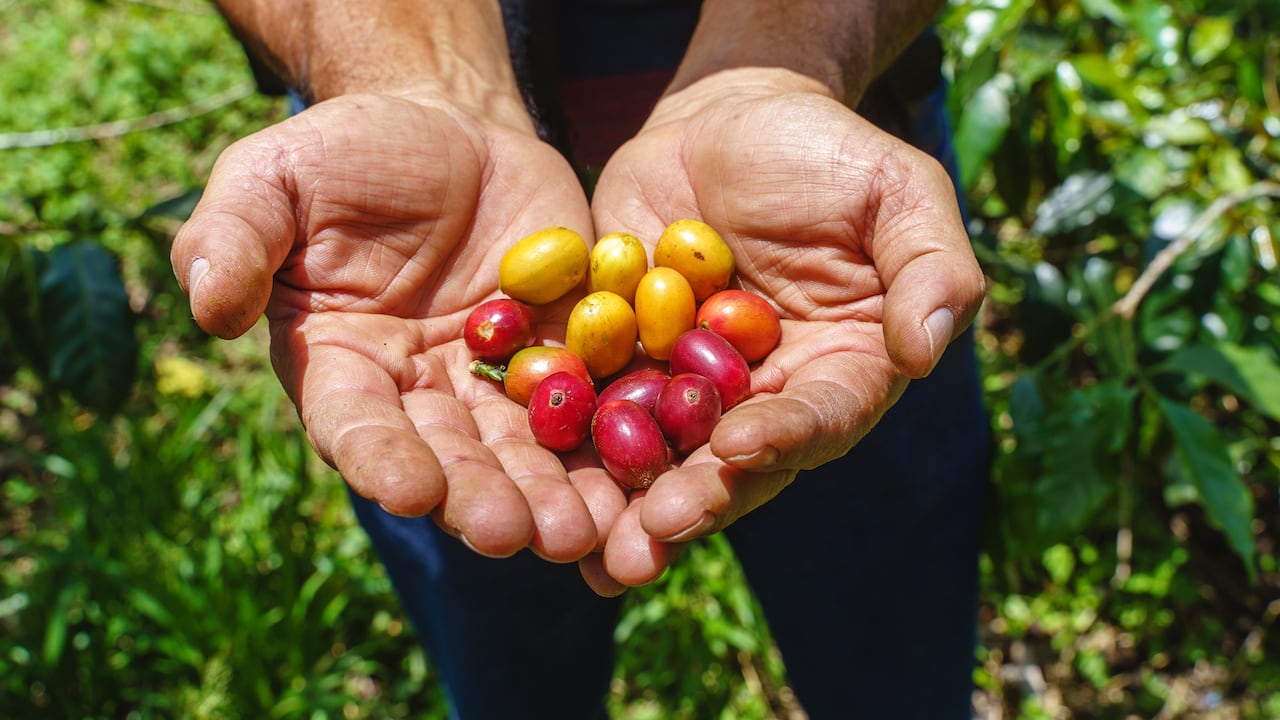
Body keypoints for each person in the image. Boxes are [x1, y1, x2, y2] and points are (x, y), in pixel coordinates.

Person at [170, 1, 991, 717]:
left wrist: (783, 66)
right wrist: (413, 73)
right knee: (500, 628)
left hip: (807, 249)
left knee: (889, 639)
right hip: (415, 251)